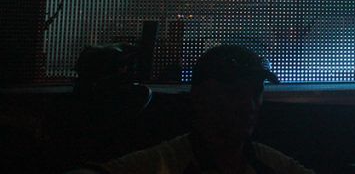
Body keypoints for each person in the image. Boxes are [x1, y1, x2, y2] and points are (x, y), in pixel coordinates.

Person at [96, 45, 315, 174]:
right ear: (200, 97)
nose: (248, 105)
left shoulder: (272, 164)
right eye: (233, 93)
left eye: (255, 92)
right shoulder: (161, 163)